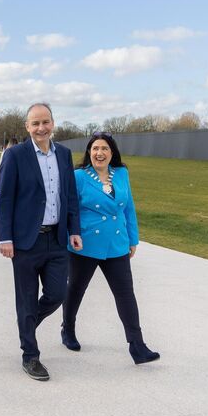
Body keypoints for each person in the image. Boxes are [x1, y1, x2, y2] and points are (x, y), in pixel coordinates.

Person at [0, 102, 82, 382]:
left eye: (45, 122)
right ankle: (30, 355)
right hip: (25, 242)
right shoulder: (15, 155)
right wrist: (5, 237)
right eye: (35, 123)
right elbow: (5, 198)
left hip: (57, 239)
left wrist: (74, 229)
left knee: (58, 293)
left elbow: (69, 195)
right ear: (27, 127)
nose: (41, 128)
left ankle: (27, 323)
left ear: (53, 123)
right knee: (26, 298)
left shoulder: (64, 154)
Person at [61, 132, 160, 365]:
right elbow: (69, 210)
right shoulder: (78, 176)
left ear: (112, 152)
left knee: (125, 294)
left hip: (117, 243)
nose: (100, 153)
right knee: (75, 289)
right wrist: (70, 235)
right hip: (85, 244)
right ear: (89, 152)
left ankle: (137, 345)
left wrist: (133, 239)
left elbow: (129, 208)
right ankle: (68, 329)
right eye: (95, 148)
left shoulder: (121, 173)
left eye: (104, 148)